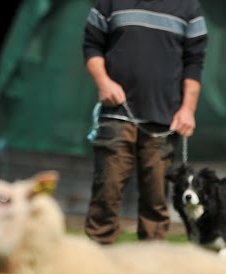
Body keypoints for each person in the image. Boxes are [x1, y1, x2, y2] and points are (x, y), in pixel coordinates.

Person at [82, 0, 208, 244]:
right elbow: (91, 46)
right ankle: (95, 268)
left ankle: (151, 268)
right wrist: (103, 82)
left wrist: (188, 109)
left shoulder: (189, 7)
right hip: (116, 116)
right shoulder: (109, 3)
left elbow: (195, 62)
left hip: (164, 123)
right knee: (105, 196)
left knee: (156, 200)